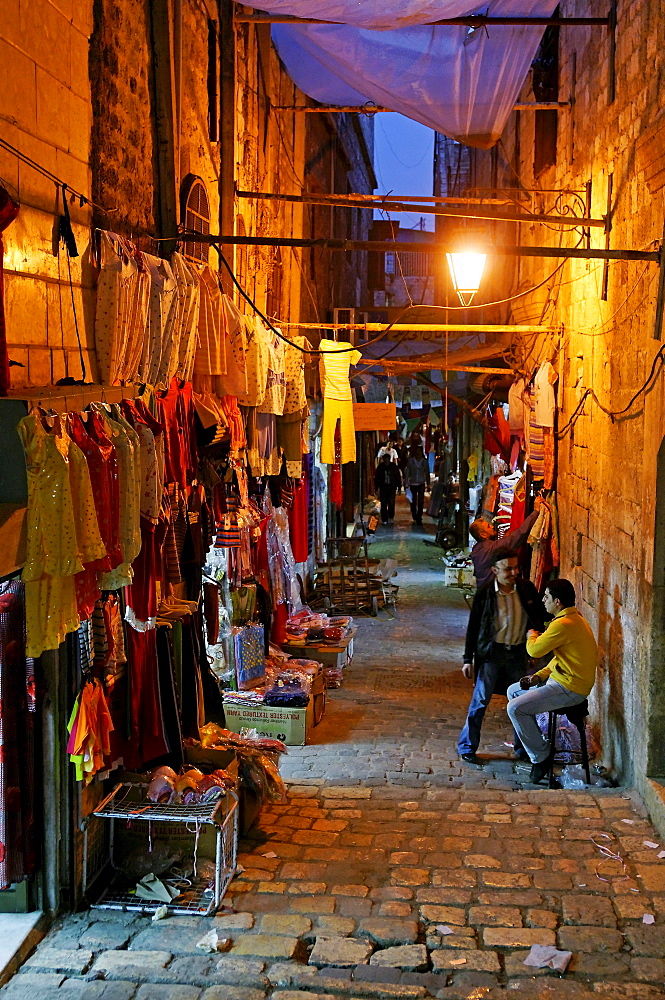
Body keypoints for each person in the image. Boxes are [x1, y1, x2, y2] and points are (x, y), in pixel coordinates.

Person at [457, 546, 548, 767]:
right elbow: (474, 626)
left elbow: (538, 615)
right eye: (508, 569)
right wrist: (467, 659)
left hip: (517, 654)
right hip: (492, 654)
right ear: (495, 570)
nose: (514, 573)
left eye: (516, 568)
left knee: (521, 703)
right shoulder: (486, 593)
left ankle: (523, 748)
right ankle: (467, 747)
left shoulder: (526, 590)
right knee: (480, 701)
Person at [506, 578, 598, 784]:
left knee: (515, 708)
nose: (543, 600)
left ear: (557, 602)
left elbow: (534, 650)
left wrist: (531, 634)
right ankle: (533, 745)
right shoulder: (572, 620)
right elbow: (561, 658)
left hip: (570, 688)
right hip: (560, 680)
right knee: (514, 691)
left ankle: (541, 757)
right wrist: (540, 676)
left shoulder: (565, 624)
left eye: (546, 596)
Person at [469, 501, 542, 588]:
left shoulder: (477, 549)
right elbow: (519, 534)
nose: (492, 526)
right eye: (488, 526)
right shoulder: (492, 548)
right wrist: (536, 511)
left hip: (482, 589)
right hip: (492, 591)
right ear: (483, 535)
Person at [405, 445, 430, 524]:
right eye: (417, 451)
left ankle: (419, 516)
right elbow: (407, 472)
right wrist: (406, 482)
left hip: (421, 483)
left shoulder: (424, 462)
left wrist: (428, 483)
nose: (418, 453)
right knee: (413, 500)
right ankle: (414, 514)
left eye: (419, 451)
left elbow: (427, 473)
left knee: (421, 500)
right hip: (413, 483)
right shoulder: (411, 461)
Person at [374, 453, 402, 524]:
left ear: (389, 459)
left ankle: (391, 516)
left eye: (387, 459)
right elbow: (377, 478)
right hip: (383, 487)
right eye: (385, 460)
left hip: (392, 487)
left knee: (391, 502)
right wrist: (376, 488)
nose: (386, 461)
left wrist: (399, 487)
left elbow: (397, 477)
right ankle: (384, 519)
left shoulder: (394, 467)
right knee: (383, 503)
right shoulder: (380, 467)